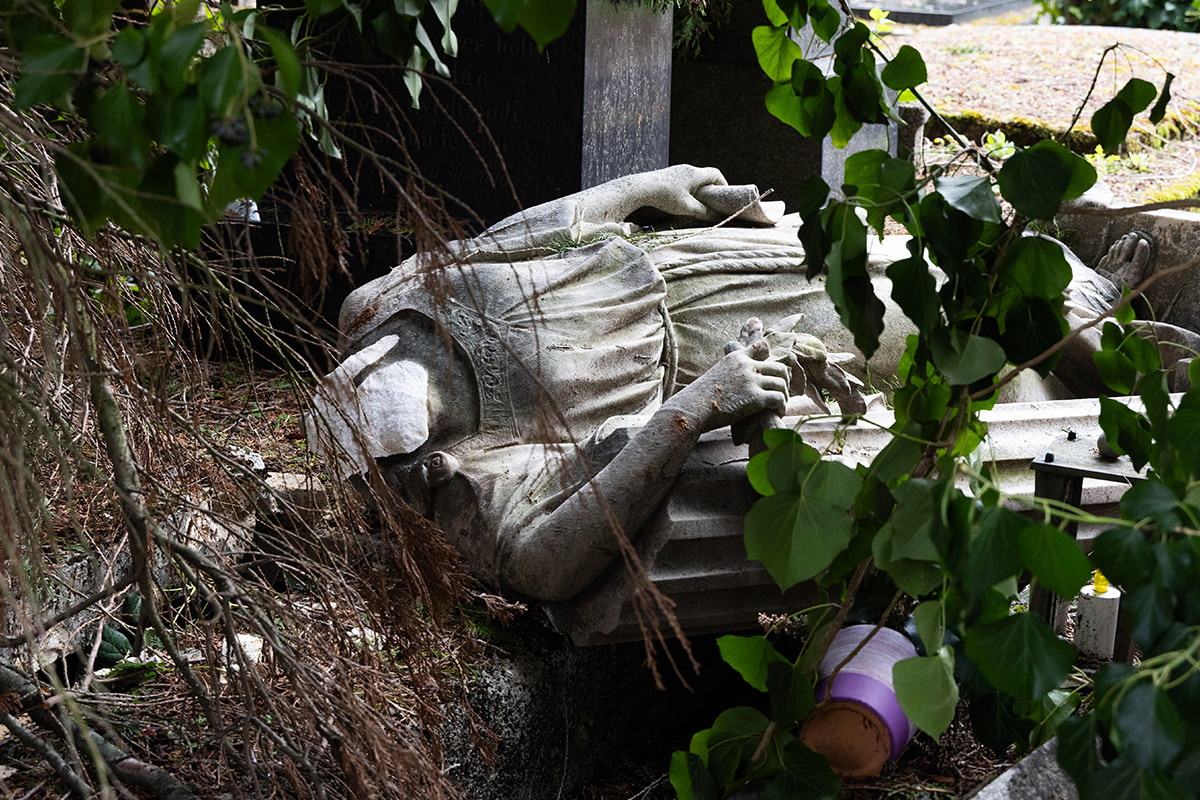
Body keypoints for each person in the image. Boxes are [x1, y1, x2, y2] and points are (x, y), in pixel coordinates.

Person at [310, 165, 1198, 603]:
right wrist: (697, 407)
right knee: (920, 321)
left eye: (396, 374)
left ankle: (1086, 312)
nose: (412, 381)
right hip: (704, 347)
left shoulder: (378, 306)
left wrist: (642, 187)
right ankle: (1102, 349)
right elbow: (544, 562)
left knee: (890, 258)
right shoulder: (456, 478)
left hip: (689, 261)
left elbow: (531, 232)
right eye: (414, 419)